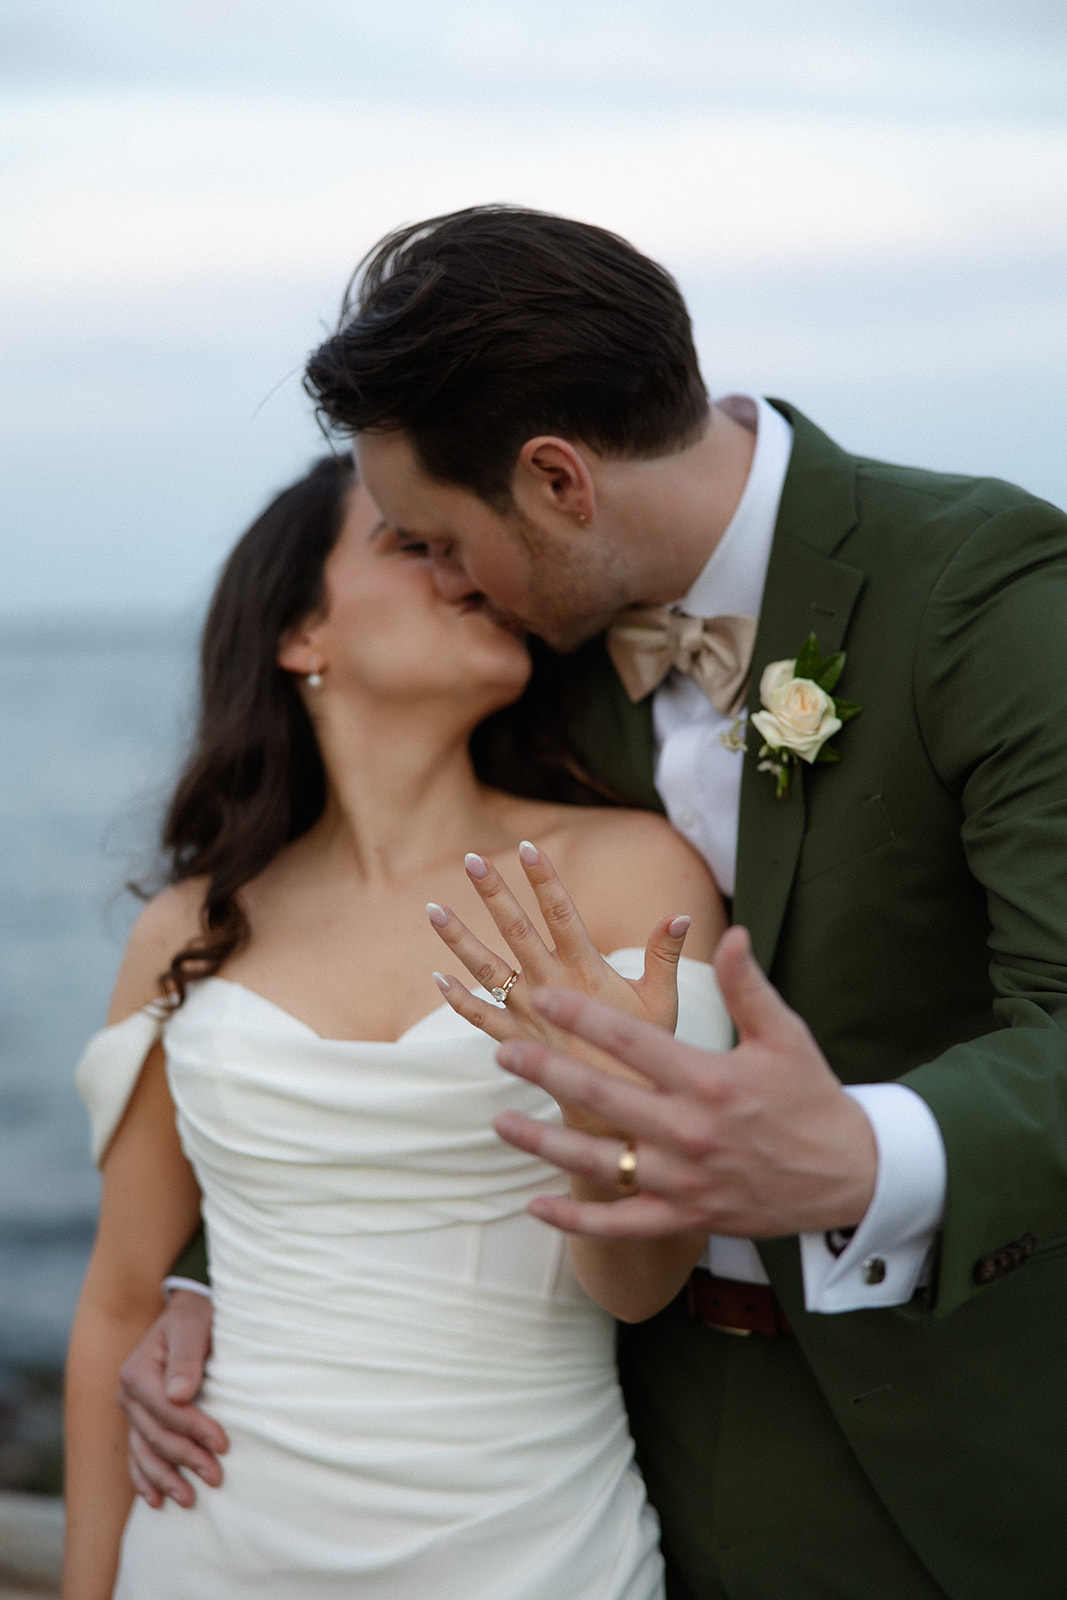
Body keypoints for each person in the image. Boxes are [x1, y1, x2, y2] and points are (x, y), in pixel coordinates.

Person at [118, 207, 1067, 1598]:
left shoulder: (978, 591)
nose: (446, 586)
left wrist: (866, 1155)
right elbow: (358, 980)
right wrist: (210, 1276)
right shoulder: (537, 646)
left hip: (932, 1437)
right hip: (620, 1438)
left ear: (557, 480)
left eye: (439, 540)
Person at [64, 451, 731, 1599]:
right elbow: (119, 1297)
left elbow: (644, 1284)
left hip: (532, 1552)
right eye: (409, 544)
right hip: (209, 1542)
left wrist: (595, 1117)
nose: (466, 571)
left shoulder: (624, 876)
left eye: (463, 542)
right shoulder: (190, 927)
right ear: (299, 635)